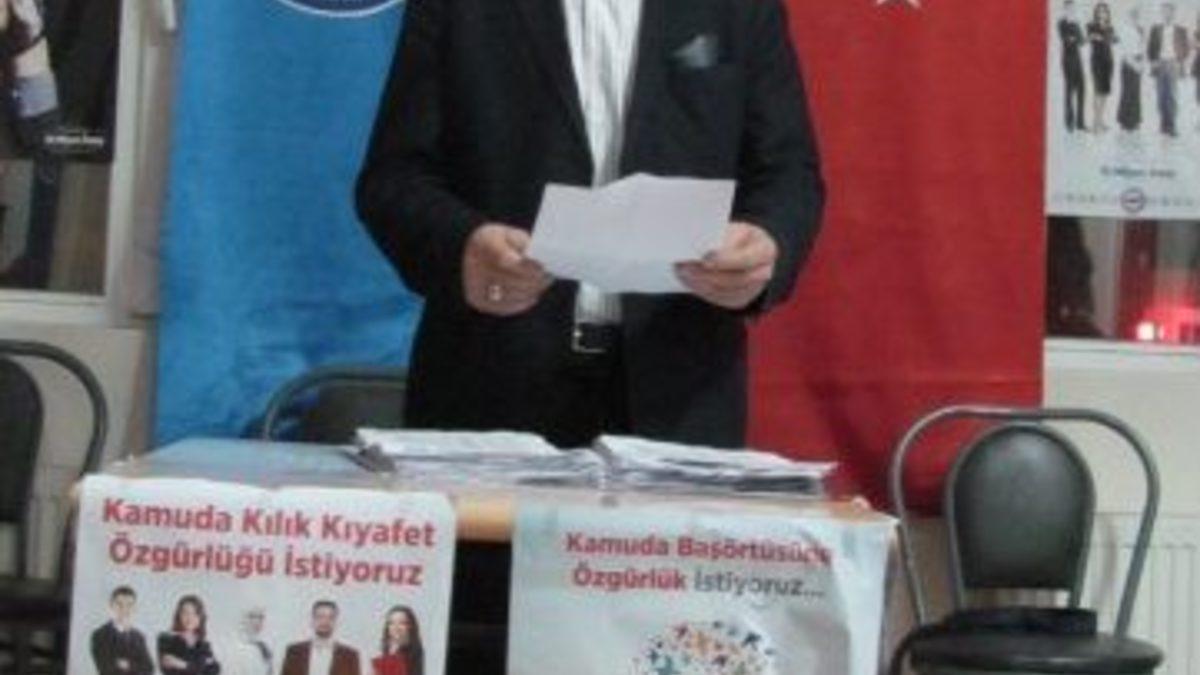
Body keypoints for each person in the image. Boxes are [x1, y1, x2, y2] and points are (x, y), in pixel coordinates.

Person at [356, 0, 825, 450]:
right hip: (491, 384)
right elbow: (394, 177)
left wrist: (767, 242)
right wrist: (462, 247)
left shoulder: (740, 5)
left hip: (680, 399)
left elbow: (789, 175)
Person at [281, 600, 361, 675]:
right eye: (320, 617)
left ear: (336, 622)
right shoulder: (294, 652)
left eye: (330, 617)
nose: (325, 621)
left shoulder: (350, 656)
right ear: (312, 620)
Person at [1147, 1, 1190, 137]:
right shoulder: (1155, 29)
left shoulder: (1181, 30)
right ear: (1162, 13)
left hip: (1173, 64)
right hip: (1160, 64)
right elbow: (1150, 48)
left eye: (1169, 11)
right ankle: (1163, 124)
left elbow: (1186, 49)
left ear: (1173, 13)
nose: (1166, 14)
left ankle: (1172, 126)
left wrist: (1179, 61)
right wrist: (1153, 61)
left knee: (1172, 95)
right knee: (1161, 96)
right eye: (1164, 11)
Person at [90, 586, 155, 675]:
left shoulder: (139, 636)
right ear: (111, 606)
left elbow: (149, 668)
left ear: (134, 608)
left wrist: (127, 665)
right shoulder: (100, 635)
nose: (124, 609)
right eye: (119, 604)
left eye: (129, 605)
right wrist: (136, 666)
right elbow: (105, 669)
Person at [157, 595, 221, 675]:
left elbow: (215, 670)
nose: (190, 617)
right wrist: (201, 664)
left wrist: (182, 664)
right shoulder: (166, 639)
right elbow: (169, 671)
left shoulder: (204, 644)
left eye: (195, 613)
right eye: (185, 613)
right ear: (178, 615)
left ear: (200, 617)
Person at [1087, 2, 1117, 132]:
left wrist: (1104, 37)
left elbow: (1114, 40)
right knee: (1097, 91)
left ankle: (1100, 120)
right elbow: (1091, 38)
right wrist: (1104, 38)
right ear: (1096, 12)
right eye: (1099, 11)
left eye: (1104, 11)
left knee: (1105, 92)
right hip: (1097, 61)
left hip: (1108, 61)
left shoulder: (1110, 27)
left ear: (1107, 13)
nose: (1102, 13)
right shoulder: (1091, 25)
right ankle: (1095, 124)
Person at [1117, 4, 1147, 131]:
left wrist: (1142, 63)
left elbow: (1142, 46)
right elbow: (1124, 50)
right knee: (1127, 92)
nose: (1135, 16)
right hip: (1128, 62)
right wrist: (1134, 65)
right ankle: (1125, 122)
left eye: (1137, 14)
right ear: (1129, 16)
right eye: (1133, 14)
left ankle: (1135, 120)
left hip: (1138, 60)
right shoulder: (1124, 29)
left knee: (1136, 92)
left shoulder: (1141, 29)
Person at [1059, 0, 1088, 132]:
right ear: (1065, 8)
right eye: (1069, 8)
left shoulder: (1076, 23)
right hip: (1067, 59)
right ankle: (1069, 123)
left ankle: (1080, 123)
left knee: (1082, 88)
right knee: (1069, 90)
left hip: (1077, 59)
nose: (1072, 10)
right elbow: (1067, 40)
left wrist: (1076, 38)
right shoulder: (1061, 23)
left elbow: (1082, 42)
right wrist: (1076, 38)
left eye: (1073, 8)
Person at [371, 606, 424, 675]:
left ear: (410, 627)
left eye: (402, 623)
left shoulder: (415, 654)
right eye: (391, 623)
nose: (396, 627)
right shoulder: (387, 652)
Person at [224, 608, 273, 675]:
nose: (257, 621)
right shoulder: (235, 646)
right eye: (252, 616)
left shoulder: (264, 647)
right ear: (243, 620)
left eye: (261, 617)